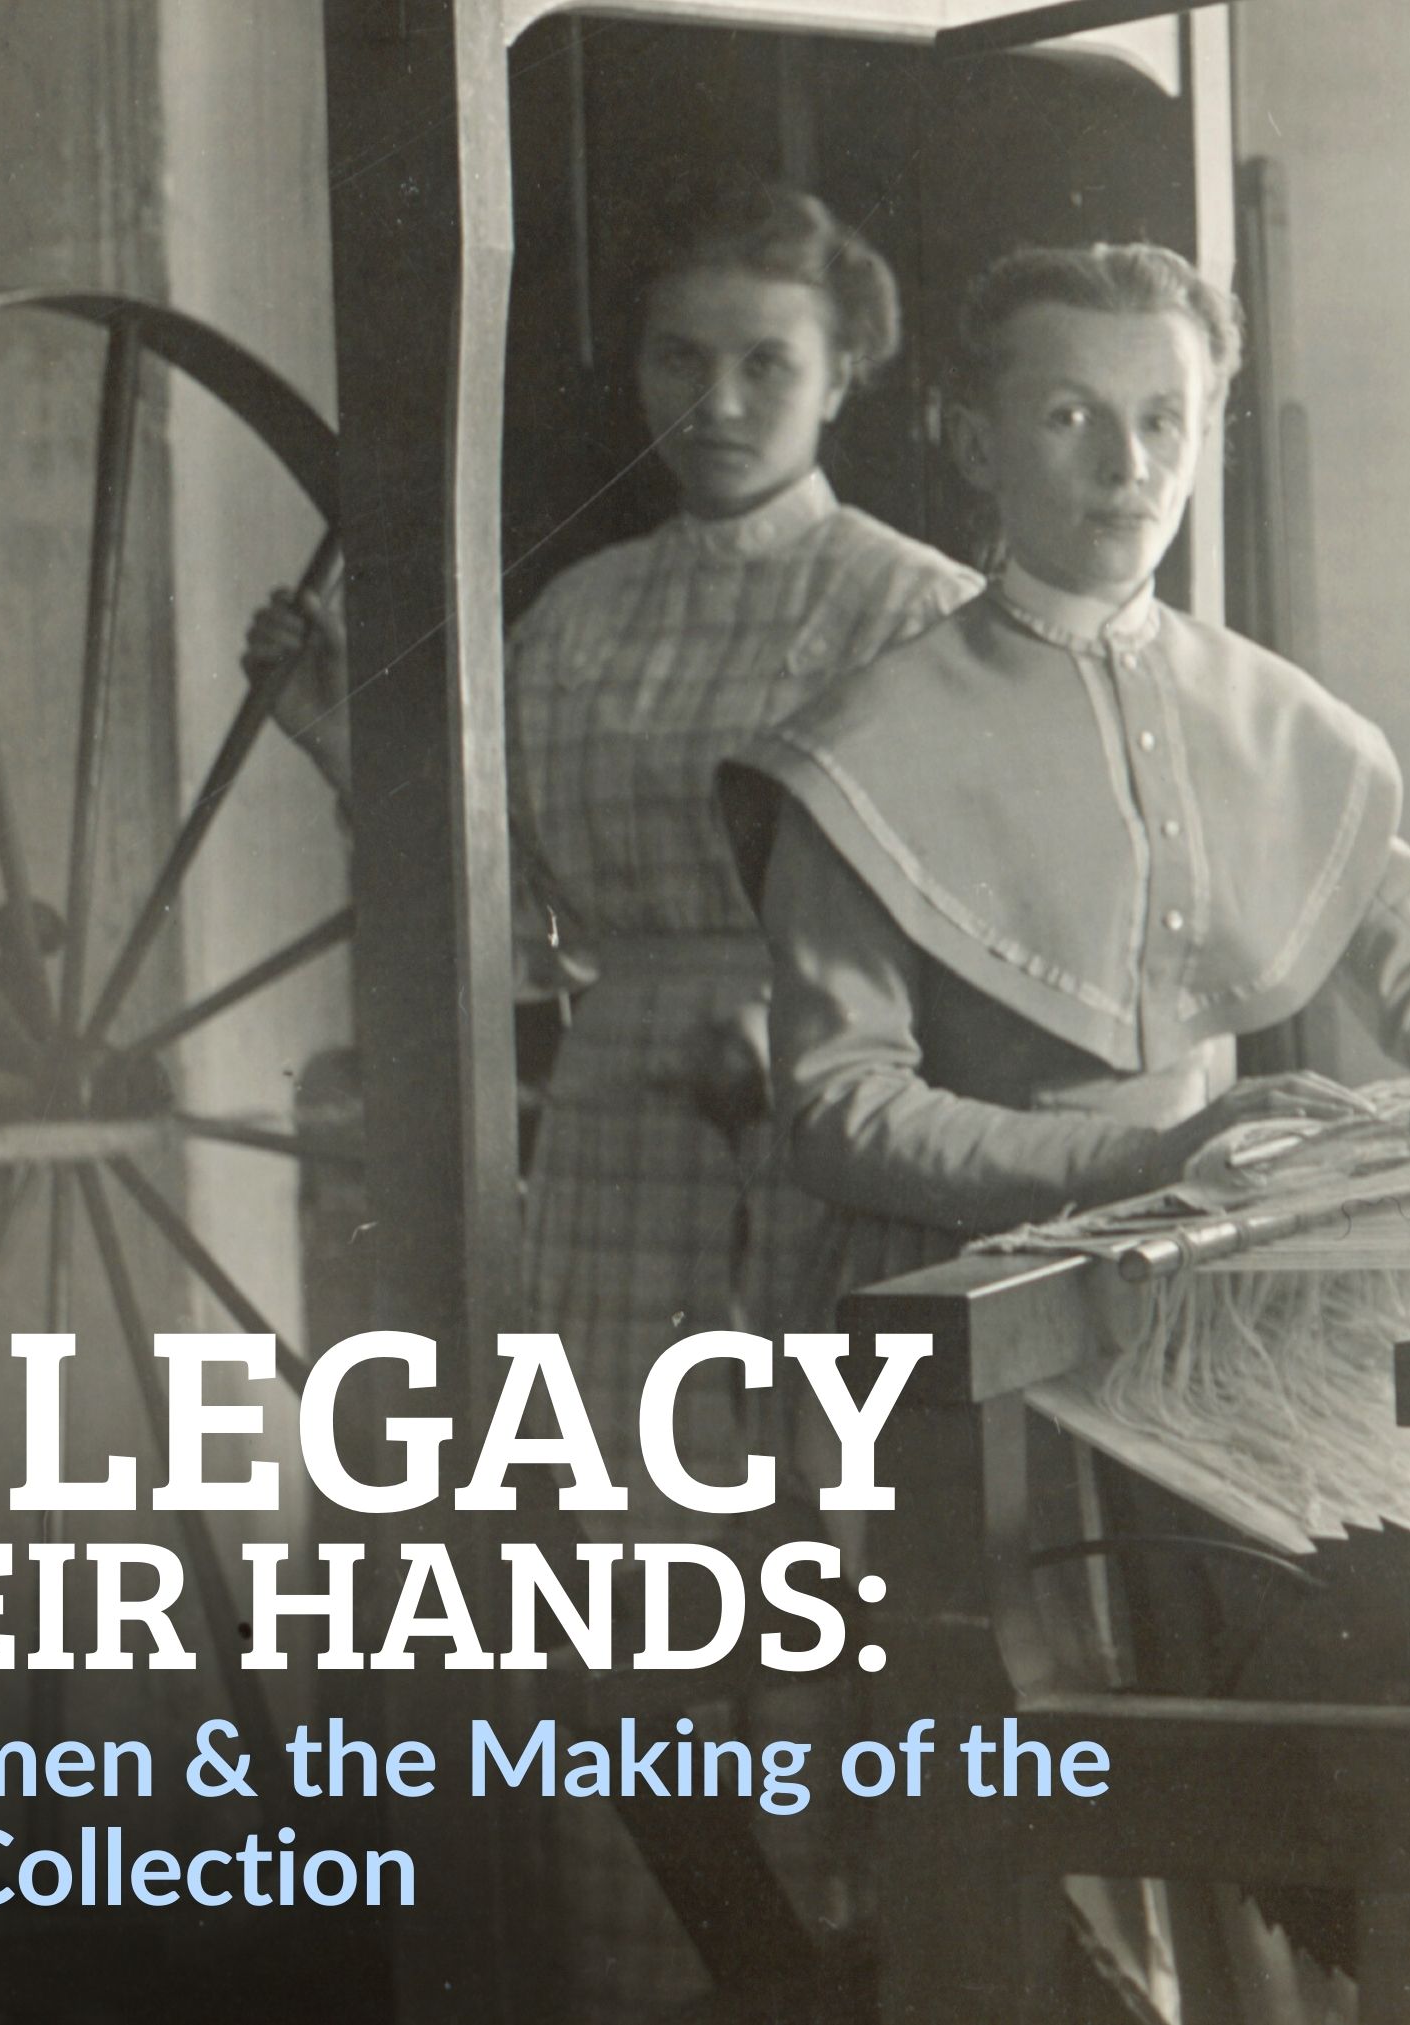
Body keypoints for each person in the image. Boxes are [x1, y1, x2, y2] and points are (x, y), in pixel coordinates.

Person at [246, 175, 978, 2015]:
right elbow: (507, 905)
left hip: (827, 1149)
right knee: (617, 1575)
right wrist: (359, 754)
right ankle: (634, 1981)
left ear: (844, 379)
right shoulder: (573, 609)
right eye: (679, 358)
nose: (714, 400)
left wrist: (825, 1031)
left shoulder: (919, 609)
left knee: (799, 1571)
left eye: (762, 363)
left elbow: (988, 925)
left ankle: (811, 1972)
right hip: (612, 1146)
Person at [722, 241, 1408, 2006]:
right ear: (970, 437)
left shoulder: (1290, 729)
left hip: (1225, 1342)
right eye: (1072, 417)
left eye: (1166, 420)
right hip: (969, 1364)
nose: (1128, 470)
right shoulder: (860, 749)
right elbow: (838, 1108)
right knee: (1043, 1889)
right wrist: (1148, 1160)